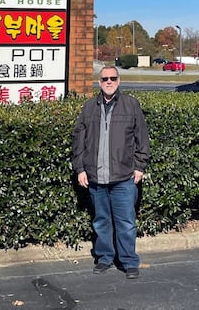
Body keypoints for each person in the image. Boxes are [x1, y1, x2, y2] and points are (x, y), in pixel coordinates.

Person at [72, 66, 150, 278]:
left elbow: (141, 139)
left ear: (118, 80)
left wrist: (139, 167)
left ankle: (129, 261)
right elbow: (78, 141)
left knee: (125, 222)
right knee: (101, 221)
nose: (108, 81)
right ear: (99, 82)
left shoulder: (131, 105)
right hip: (96, 178)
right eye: (104, 78)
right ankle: (104, 258)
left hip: (123, 178)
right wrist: (80, 169)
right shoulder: (89, 108)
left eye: (112, 78)